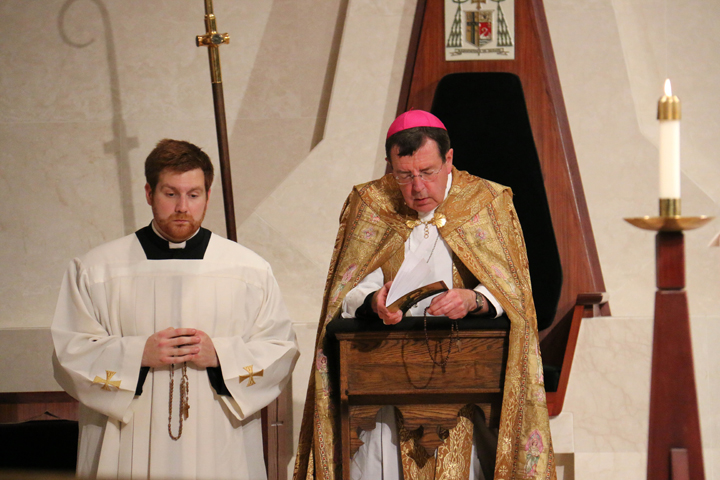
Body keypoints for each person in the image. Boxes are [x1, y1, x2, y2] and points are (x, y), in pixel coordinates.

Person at [293, 111, 556, 480]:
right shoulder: (370, 203)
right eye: (404, 175)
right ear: (391, 167)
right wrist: (373, 302)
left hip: (464, 376)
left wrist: (473, 299)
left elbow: (512, 288)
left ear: (449, 160)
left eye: (428, 172)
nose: (417, 188)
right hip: (383, 378)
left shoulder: (486, 202)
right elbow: (346, 289)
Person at [51, 139, 299, 480]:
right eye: (171, 194)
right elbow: (69, 353)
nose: (183, 206)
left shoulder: (249, 271)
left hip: (217, 439)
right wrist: (138, 353)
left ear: (208, 196)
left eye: (194, 195)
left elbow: (280, 350)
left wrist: (221, 355)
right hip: (129, 442)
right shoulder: (97, 270)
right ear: (149, 193)